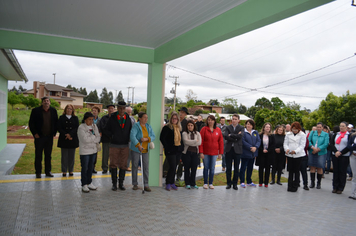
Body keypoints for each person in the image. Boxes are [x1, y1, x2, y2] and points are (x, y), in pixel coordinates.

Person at [104, 101, 133, 191]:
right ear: (117, 108)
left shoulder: (127, 117)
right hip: (114, 145)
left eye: (123, 108)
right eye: (120, 108)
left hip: (124, 145)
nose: (121, 110)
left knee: (123, 165)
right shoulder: (112, 117)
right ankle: (114, 184)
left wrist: (128, 137)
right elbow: (105, 129)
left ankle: (121, 183)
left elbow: (130, 129)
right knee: (113, 164)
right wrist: (112, 136)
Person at [29, 97, 58, 178]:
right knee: (38, 155)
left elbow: (56, 123)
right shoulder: (35, 111)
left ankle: (48, 171)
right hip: (39, 137)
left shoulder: (53, 111)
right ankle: (38, 172)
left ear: (50, 102)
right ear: (42, 103)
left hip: (49, 137)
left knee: (48, 155)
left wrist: (54, 133)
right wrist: (35, 133)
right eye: (44, 101)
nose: (46, 102)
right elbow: (31, 123)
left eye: (47, 101)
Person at [130, 112, 155, 192]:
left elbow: (153, 136)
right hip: (136, 149)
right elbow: (132, 136)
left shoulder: (148, 126)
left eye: (147, 117)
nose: (146, 119)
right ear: (140, 118)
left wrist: (147, 139)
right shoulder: (136, 126)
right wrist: (138, 145)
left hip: (145, 150)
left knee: (146, 167)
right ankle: (135, 183)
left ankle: (146, 184)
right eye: (144, 117)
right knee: (135, 166)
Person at [77, 112, 101, 193]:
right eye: (89, 119)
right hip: (85, 151)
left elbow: (98, 137)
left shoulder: (94, 126)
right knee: (85, 168)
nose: (91, 121)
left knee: (91, 167)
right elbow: (84, 140)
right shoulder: (81, 127)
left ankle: (89, 182)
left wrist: (93, 138)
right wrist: (94, 138)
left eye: (92, 119)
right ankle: (84, 184)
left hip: (93, 150)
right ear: (85, 120)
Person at [199, 115, 224, 189]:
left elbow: (221, 142)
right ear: (207, 121)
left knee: (212, 168)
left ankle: (211, 183)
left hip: (214, 153)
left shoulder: (218, 130)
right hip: (205, 153)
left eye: (212, 120)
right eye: (209, 120)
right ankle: (205, 183)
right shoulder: (204, 129)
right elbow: (201, 142)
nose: (210, 121)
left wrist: (220, 153)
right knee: (206, 168)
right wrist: (201, 152)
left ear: (214, 121)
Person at [160, 112, 181, 191]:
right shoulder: (167, 127)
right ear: (170, 119)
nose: (174, 120)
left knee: (174, 167)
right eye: (173, 118)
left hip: (177, 151)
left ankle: (172, 182)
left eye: (175, 118)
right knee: (172, 167)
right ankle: (168, 182)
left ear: (177, 119)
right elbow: (162, 138)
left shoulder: (178, 128)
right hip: (170, 151)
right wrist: (167, 147)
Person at [57, 104, 79, 177]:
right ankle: (64, 171)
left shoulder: (75, 118)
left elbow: (76, 128)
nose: (69, 110)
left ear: (72, 110)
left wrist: (70, 135)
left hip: (72, 139)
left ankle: (71, 170)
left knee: (71, 157)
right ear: (65, 109)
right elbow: (59, 128)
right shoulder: (61, 118)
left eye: (70, 109)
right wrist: (66, 134)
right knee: (64, 157)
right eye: (68, 109)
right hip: (64, 139)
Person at [284, 122, 306, 192]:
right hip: (290, 154)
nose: (294, 131)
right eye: (293, 129)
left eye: (296, 130)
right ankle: (289, 186)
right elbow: (285, 143)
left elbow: (302, 145)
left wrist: (296, 151)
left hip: (298, 155)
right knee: (290, 171)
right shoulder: (288, 134)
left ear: (299, 129)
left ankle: (295, 186)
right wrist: (286, 149)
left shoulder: (302, 134)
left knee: (296, 171)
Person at [224, 114, 244, 190]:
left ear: (238, 120)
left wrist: (231, 135)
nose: (234, 120)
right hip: (229, 149)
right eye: (233, 119)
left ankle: (235, 184)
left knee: (236, 168)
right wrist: (235, 137)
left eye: (235, 119)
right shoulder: (228, 127)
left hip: (237, 150)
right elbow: (226, 136)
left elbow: (240, 136)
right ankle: (229, 183)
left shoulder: (241, 127)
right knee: (228, 168)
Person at [330, 121, 351, 194]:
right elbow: (332, 144)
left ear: (346, 127)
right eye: (340, 126)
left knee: (342, 172)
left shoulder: (349, 135)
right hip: (335, 155)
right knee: (336, 171)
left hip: (344, 156)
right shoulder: (336, 134)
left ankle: (340, 187)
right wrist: (336, 152)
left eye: (343, 126)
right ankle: (335, 187)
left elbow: (349, 146)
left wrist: (341, 153)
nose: (341, 127)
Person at [308, 122, 329, 189]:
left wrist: (318, 149)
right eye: (317, 127)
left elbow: (326, 144)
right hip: (312, 151)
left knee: (320, 167)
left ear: (322, 127)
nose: (318, 128)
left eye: (320, 127)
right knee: (312, 167)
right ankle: (312, 182)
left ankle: (319, 183)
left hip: (321, 152)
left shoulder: (325, 134)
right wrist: (313, 148)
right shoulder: (313, 133)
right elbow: (308, 141)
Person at [182, 120, 202, 189]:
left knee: (194, 169)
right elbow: (185, 142)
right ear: (186, 126)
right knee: (187, 169)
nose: (190, 127)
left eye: (191, 125)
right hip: (187, 153)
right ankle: (187, 183)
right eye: (188, 125)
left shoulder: (197, 133)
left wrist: (191, 142)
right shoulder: (184, 133)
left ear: (194, 126)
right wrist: (194, 141)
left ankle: (193, 183)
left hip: (195, 153)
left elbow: (199, 143)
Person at [240, 119, 260, 188]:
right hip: (245, 153)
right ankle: (242, 181)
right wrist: (251, 147)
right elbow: (243, 141)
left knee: (250, 168)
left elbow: (258, 141)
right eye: (247, 124)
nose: (248, 125)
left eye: (250, 124)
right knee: (243, 168)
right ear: (245, 125)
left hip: (253, 154)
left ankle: (249, 181)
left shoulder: (255, 132)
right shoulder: (243, 132)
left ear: (252, 126)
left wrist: (256, 147)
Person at [97, 104, 115, 174]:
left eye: (112, 108)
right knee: (105, 155)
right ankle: (104, 168)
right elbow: (103, 128)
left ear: (114, 109)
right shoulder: (104, 118)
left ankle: (112, 168)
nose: (111, 110)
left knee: (113, 155)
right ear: (108, 110)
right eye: (109, 108)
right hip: (106, 139)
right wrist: (109, 135)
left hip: (114, 140)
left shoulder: (116, 118)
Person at [257, 123, 275, 187]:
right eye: (266, 127)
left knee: (267, 169)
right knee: (261, 168)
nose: (267, 128)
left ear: (270, 128)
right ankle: (260, 182)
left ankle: (266, 183)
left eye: (269, 127)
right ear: (264, 128)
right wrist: (262, 150)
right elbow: (258, 144)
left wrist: (268, 150)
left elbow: (273, 145)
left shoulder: (272, 136)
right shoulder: (260, 135)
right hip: (261, 154)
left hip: (269, 154)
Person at [176, 107, 189, 181]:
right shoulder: (175, 121)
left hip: (183, 145)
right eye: (180, 112)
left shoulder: (186, 123)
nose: (181, 113)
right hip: (175, 144)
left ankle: (178, 176)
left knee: (181, 161)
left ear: (185, 114)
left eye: (183, 112)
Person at [126, 106, 136, 172]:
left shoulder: (132, 118)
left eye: (130, 112)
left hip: (131, 139)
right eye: (128, 112)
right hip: (125, 139)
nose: (129, 113)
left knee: (131, 153)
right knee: (126, 153)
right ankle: (126, 166)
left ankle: (129, 166)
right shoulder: (123, 118)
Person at [91, 106, 101, 174]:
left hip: (96, 139)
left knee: (95, 154)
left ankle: (93, 167)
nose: (94, 112)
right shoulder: (89, 119)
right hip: (89, 138)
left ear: (98, 112)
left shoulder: (100, 120)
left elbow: (101, 128)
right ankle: (89, 167)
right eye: (93, 111)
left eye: (95, 111)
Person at [347, 132, 356, 200]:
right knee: (354, 174)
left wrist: (353, 146)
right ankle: (353, 193)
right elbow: (349, 145)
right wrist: (353, 146)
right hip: (353, 155)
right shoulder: (353, 135)